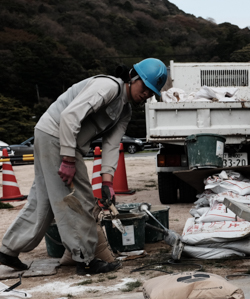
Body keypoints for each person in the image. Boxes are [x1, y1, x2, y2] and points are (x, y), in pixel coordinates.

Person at [0, 58, 168, 275]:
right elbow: (70, 116)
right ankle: (86, 259)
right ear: (133, 78)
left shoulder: (125, 110)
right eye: (145, 87)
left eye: (151, 92)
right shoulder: (108, 87)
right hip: (55, 135)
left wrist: (108, 181)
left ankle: (7, 250)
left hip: (52, 137)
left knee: (43, 201)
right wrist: (68, 159)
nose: (146, 94)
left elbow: (111, 144)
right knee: (78, 199)